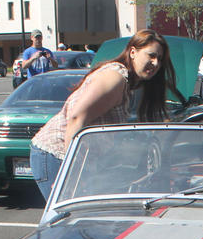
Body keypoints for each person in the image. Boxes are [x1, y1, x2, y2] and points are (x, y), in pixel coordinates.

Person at [29, 29, 177, 198]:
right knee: (65, 218)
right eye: (151, 55)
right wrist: (70, 173)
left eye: (159, 59)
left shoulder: (127, 83)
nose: (156, 63)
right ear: (133, 52)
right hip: (57, 154)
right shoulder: (116, 77)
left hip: (76, 159)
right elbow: (77, 118)